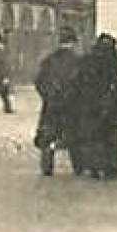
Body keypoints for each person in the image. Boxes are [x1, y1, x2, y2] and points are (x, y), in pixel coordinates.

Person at [69, 33, 117, 180]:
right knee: (113, 137)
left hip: (91, 105)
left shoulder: (87, 62)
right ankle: (113, 166)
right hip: (111, 104)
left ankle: (94, 166)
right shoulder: (114, 64)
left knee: (93, 136)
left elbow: (78, 82)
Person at [34, 27, 83, 176]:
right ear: (73, 42)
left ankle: (47, 167)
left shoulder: (48, 61)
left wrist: (48, 96)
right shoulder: (78, 62)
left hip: (51, 106)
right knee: (75, 137)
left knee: (48, 136)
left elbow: (39, 82)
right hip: (72, 107)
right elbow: (83, 84)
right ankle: (78, 167)